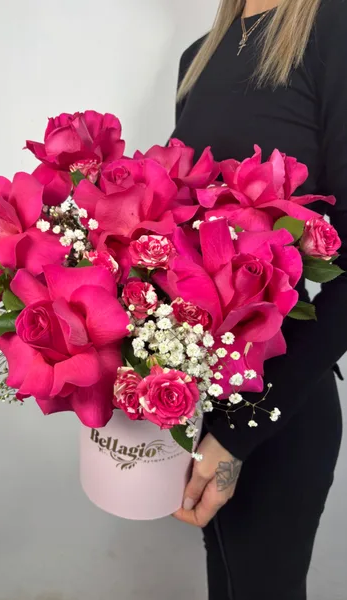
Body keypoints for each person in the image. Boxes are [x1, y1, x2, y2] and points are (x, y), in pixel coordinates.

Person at [172, 1, 345, 599]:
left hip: (281, 407)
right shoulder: (197, 58)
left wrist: (239, 433)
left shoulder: (333, 29)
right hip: (200, 397)